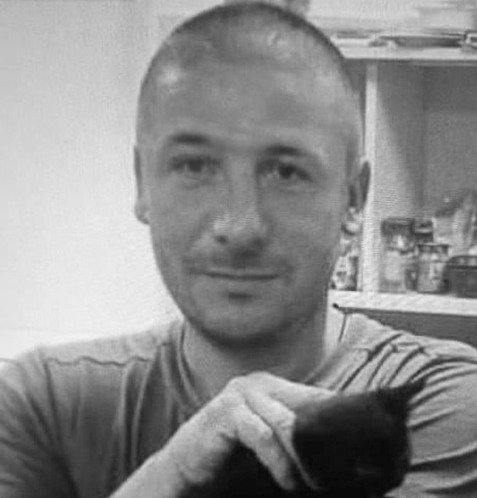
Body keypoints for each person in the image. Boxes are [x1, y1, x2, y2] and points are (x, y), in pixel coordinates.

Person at [2, 3, 477, 497]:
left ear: (353, 200)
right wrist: (171, 471)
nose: (240, 227)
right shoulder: (46, 403)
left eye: (286, 172)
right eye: (194, 167)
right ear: (142, 185)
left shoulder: (440, 401)